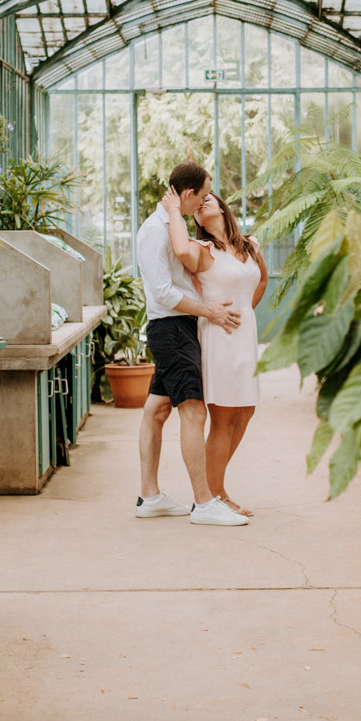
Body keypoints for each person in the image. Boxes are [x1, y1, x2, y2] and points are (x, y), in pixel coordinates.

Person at [135, 160, 248, 526]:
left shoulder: (175, 223)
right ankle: (203, 502)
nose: (203, 202)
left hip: (180, 326)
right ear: (187, 194)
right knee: (194, 411)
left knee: (157, 410)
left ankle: (149, 497)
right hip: (172, 328)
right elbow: (164, 293)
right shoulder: (155, 230)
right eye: (201, 195)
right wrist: (209, 312)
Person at [162, 186, 268, 517]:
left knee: (246, 410)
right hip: (219, 339)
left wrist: (244, 312)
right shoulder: (200, 249)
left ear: (223, 209)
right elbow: (179, 250)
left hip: (243, 335)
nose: (204, 202)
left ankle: (215, 488)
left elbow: (262, 280)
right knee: (224, 416)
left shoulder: (249, 245)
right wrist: (173, 211)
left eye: (210, 198)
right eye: (197, 205)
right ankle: (213, 494)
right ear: (198, 220)